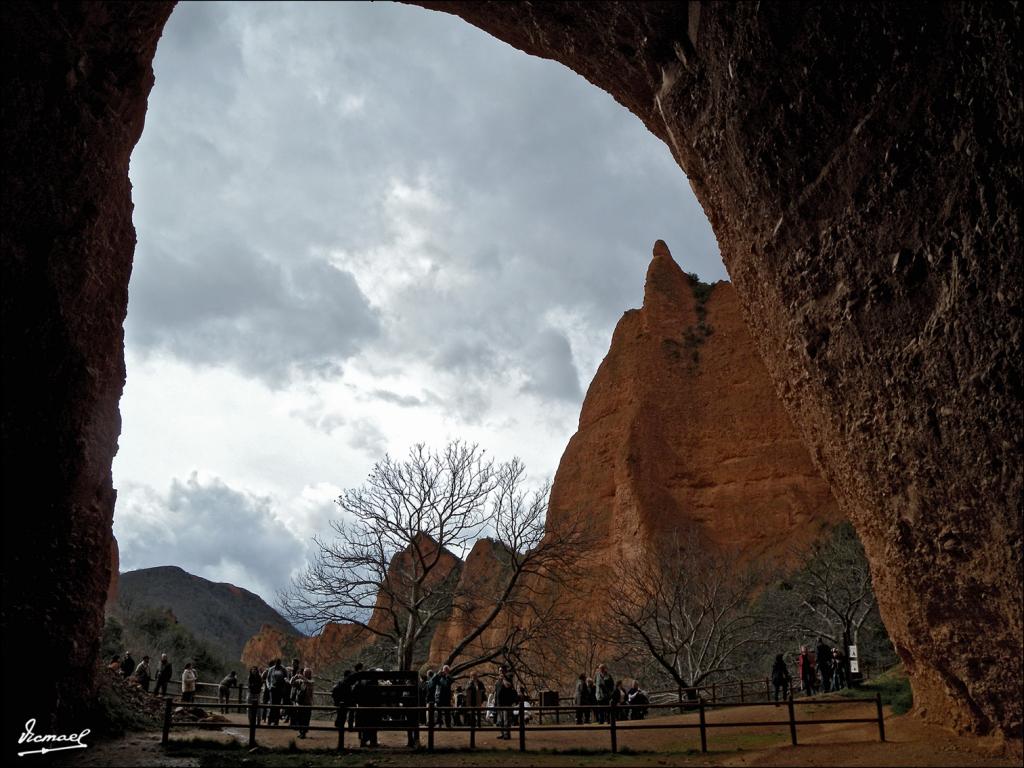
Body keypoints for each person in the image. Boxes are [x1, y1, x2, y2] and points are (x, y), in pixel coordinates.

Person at [291, 668, 314, 738]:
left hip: (307, 703)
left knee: (306, 719)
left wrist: (302, 677)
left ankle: (303, 733)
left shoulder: (311, 681)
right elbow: (291, 683)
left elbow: (308, 682)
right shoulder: (299, 682)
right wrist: (294, 677)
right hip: (300, 703)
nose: (304, 674)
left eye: (306, 673)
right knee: (300, 718)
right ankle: (301, 732)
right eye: (304, 672)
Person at [267, 659, 290, 726]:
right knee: (272, 705)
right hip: (272, 689)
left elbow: (286, 677)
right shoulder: (271, 669)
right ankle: (270, 720)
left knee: (278, 705)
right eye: (277, 663)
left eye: (279, 663)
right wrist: (269, 686)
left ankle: (276, 721)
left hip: (280, 689)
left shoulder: (283, 669)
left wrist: (285, 684)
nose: (278, 664)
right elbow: (268, 679)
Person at [495, 672, 517, 739]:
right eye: (500, 676)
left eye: (502, 676)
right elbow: (496, 694)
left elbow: (509, 687)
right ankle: (503, 734)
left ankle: (507, 734)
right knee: (500, 721)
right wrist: (496, 703)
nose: (501, 677)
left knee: (506, 720)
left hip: (507, 704)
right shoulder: (498, 684)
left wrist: (504, 680)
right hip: (500, 704)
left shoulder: (508, 683)